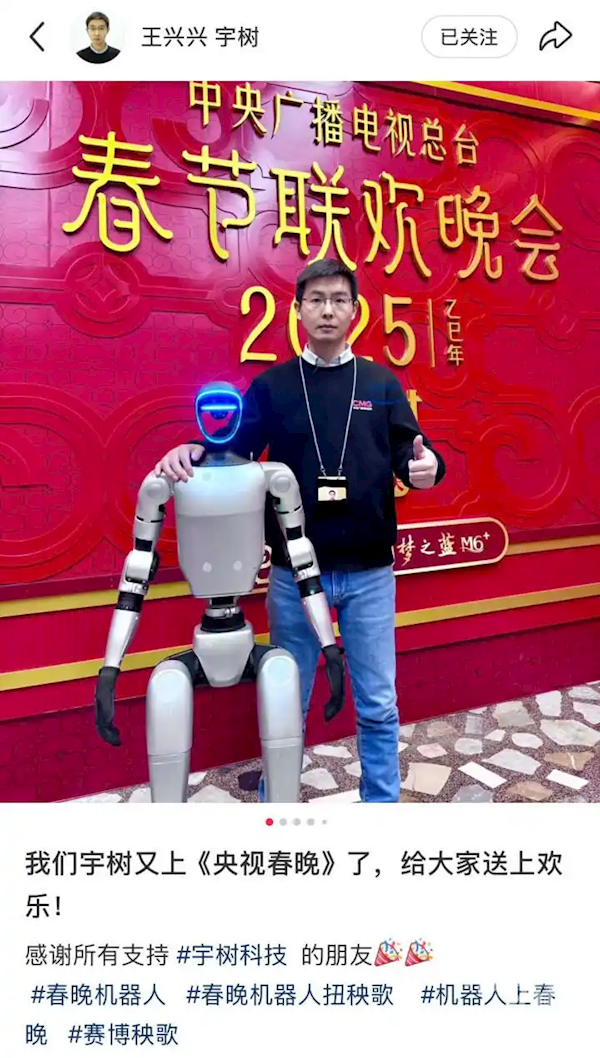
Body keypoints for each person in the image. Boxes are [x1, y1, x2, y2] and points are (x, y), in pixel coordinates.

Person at [155, 259, 446, 802]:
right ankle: (278, 801)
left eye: (339, 299)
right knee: (287, 701)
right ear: (298, 311)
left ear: (355, 311)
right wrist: (193, 449)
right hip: (294, 575)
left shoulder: (382, 384)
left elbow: (412, 453)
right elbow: (231, 448)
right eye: (316, 300)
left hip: (370, 574)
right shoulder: (273, 386)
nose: (328, 310)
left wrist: (427, 468)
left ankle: (381, 802)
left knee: (378, 702)